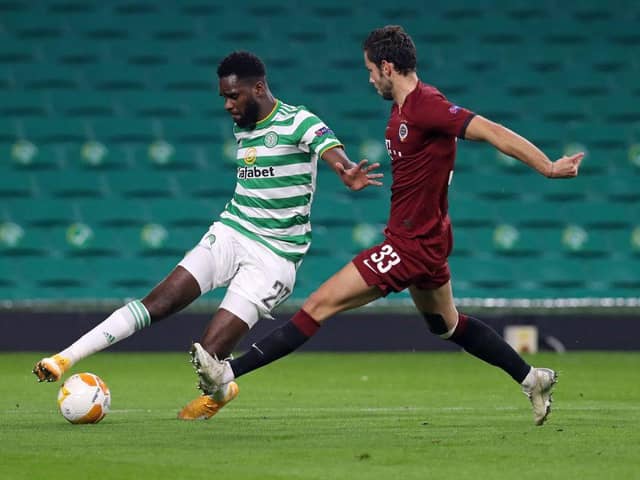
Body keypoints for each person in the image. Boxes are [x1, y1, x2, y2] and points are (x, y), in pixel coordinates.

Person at [188, 26, 585, 426]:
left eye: (371, 70)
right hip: (427, 240)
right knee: (447, 325)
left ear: (388, 67)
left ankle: (228, 374)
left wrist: (549, 167)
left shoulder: (426, 105)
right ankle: (531, 377)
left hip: (411, 244)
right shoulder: (402, 110)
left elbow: (492, 131)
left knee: (318, 306)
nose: (369, 79)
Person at [32, 51, 383, 420]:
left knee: (209, 353)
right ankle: (63, 358)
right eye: (224, 98)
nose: (229, 105)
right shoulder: (243, 126)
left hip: (275, 257)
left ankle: (221, 388)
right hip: (232, 232)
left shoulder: (299, 120)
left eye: (234, 96)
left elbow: (329, 148)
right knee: (160, 302)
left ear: (259, 88)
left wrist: (345, 169)